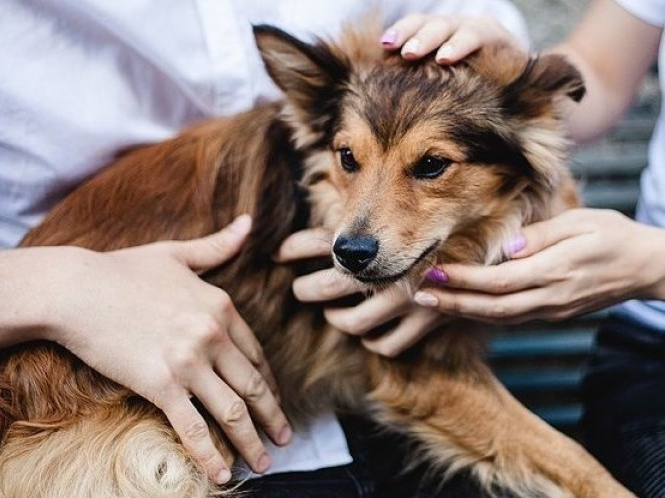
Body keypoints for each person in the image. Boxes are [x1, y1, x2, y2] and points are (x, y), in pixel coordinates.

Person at [0, 1, 529, 496]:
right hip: (63, 412)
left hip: (360, 401)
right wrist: (65, 291)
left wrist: (492, 43)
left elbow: (518, 83)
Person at [282, 0, 663, 495]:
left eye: (431, 165)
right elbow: (596, 76)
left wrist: (651, 264)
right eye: (349, 158)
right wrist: (504, 61)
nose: (357, 233)